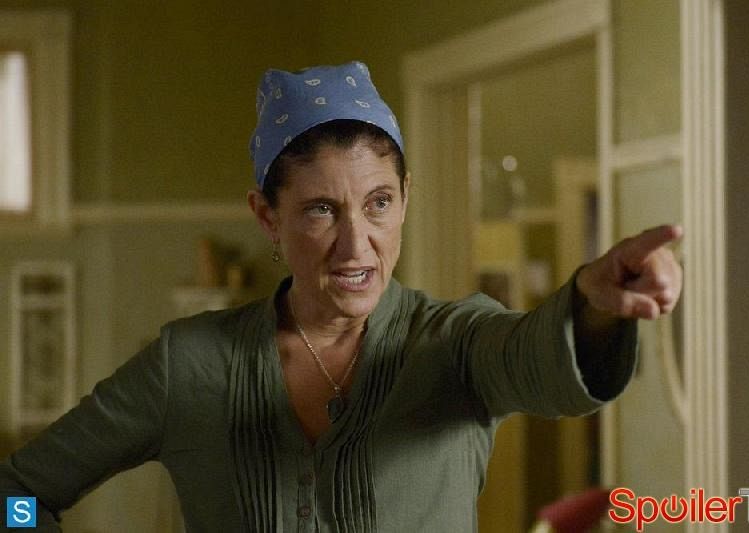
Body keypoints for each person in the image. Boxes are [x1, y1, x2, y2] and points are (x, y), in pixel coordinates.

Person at [0, 61, 682, 532]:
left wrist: (594, 303)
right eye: (321, 209)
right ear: (267, 216)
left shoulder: (457, 344)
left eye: (378, 202)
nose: (358, 245)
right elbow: (19, 494)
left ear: (405, 197)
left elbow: (539, 359)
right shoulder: (190, 364)